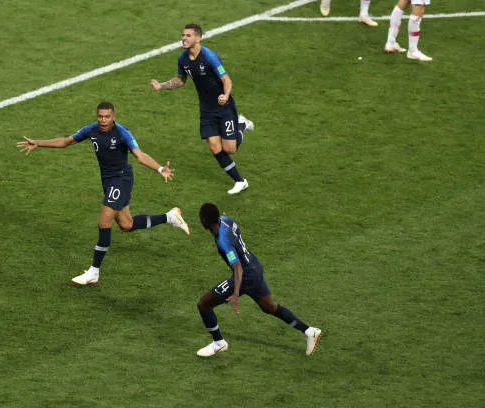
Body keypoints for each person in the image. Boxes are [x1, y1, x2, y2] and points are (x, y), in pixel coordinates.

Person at [17, 101, 190, 285]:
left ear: (113, 117)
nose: (103, 120)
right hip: (108, 181)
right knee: (127, 224)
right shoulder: (91, 130)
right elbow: (66, 141)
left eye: (107, 117)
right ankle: (170, 217)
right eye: (100, 116)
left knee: (104, 221)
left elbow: (140, 156)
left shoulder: (122, 133)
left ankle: (94, 271)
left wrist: (160, 168)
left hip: (121, 179)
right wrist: (38, 143)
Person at [195, 203, 322, 357]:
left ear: (205, 221)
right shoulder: (226, 220)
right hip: (254, 266)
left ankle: (219, 343)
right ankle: (310, 331)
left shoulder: (223, 241)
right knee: (270, 307)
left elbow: (237, 267)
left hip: (244, 276)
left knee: (203, 304)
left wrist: (235, 294)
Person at [150, 23, 254, 195]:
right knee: (214, 146)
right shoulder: (183, 59)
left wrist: (225, 95)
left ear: (198, 38)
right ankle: (240, 181)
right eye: (183, 35)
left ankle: (241, 124)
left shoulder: (209, 57)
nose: (184, 38)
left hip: (224, 107)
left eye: (188, 35)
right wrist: (161, 86)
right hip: (206, 110)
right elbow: (180, 80)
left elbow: (226, 80)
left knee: (230, 149)